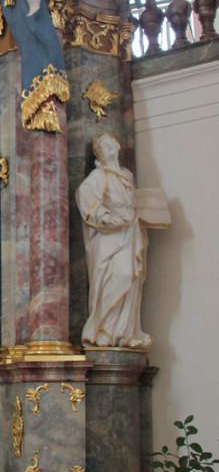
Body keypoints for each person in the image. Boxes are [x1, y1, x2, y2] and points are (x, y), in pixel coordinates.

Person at [75, 134, 151, 348]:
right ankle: (104, 328)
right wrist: (106, 217)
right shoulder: (99, 176)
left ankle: (124, 333)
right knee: (117, 275)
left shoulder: (126, 176)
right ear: (98, 155)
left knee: (132, 279)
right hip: (110, 236)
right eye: (103, 146)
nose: (109, 148)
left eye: (111, 144)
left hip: (130, 230)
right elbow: (85, 194)